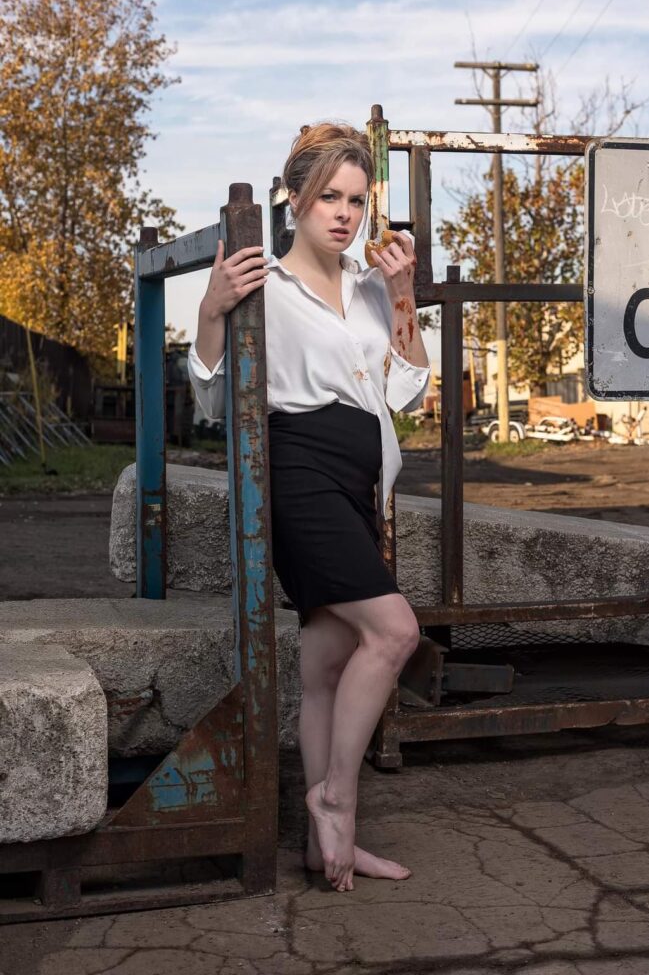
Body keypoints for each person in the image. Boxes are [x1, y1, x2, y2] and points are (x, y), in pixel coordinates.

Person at [187, 121, 431, 894]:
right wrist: (211, 311)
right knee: (395, 633)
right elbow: (210, 396)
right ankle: (337, 800)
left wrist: (402, 297)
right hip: (298, 474)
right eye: (329, 196)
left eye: (357, 200)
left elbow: (405, 391)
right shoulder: (266, 283)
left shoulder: (365, 288)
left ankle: (325, 844)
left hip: (358, 484)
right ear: (294, 197)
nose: (344, 214)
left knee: (326, 663)